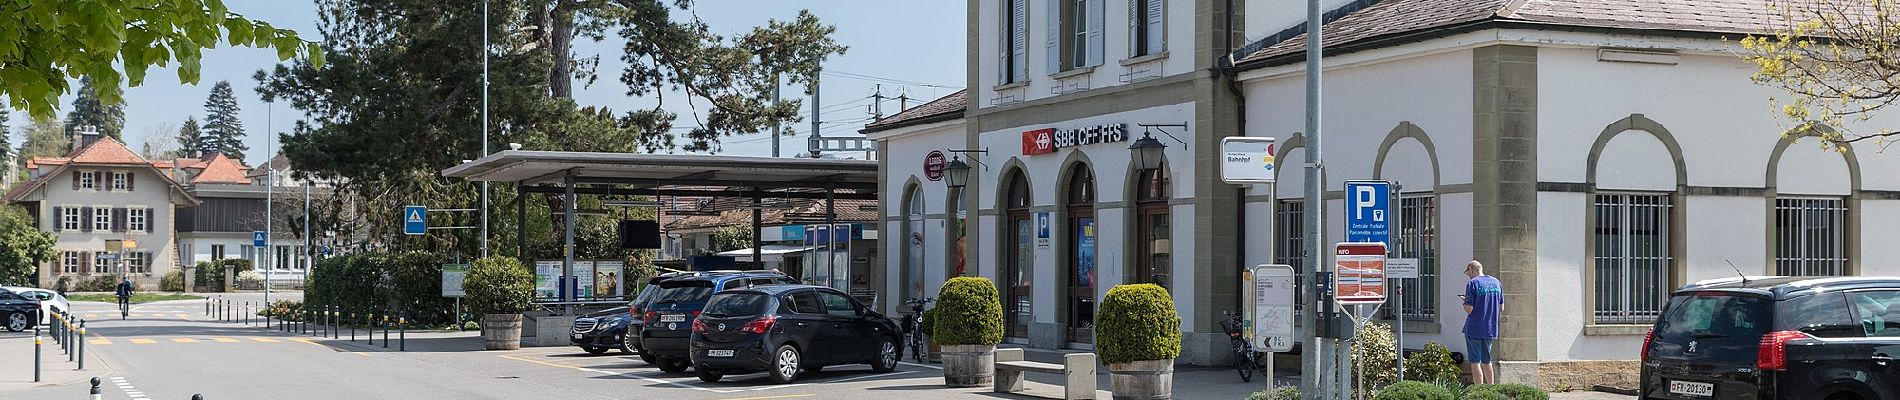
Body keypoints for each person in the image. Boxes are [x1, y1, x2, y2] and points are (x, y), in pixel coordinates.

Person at [1462, 260, 1504, 385]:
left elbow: (1469, 309)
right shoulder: (1496, 283)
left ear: (1471, 269)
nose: (1468, 275)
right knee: (1487, 361)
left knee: (1475, 362)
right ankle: (1491, 390)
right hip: (1490, 328)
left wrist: (1464, 302)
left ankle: (1479, 392)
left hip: (1474, 328)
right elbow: (1501, 308)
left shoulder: (1472, 283)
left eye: (1467, 272)